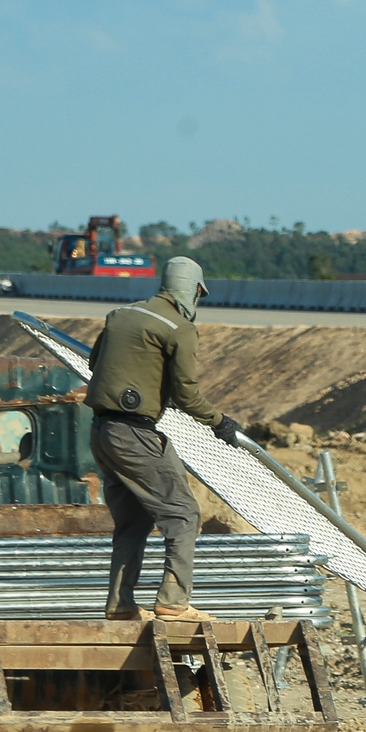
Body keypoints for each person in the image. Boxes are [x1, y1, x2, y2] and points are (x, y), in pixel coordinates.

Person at [86, 256, 244, 622]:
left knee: (134, 521)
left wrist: (145, 384)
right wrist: (219, 422)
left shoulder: (121, 315)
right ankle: (174, 602)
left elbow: (97, 364)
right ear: (195, 290)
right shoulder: (179, 328)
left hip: (101, 431)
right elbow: (187, 393)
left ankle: (120, 605)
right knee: (184, 514)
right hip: (135, 434)